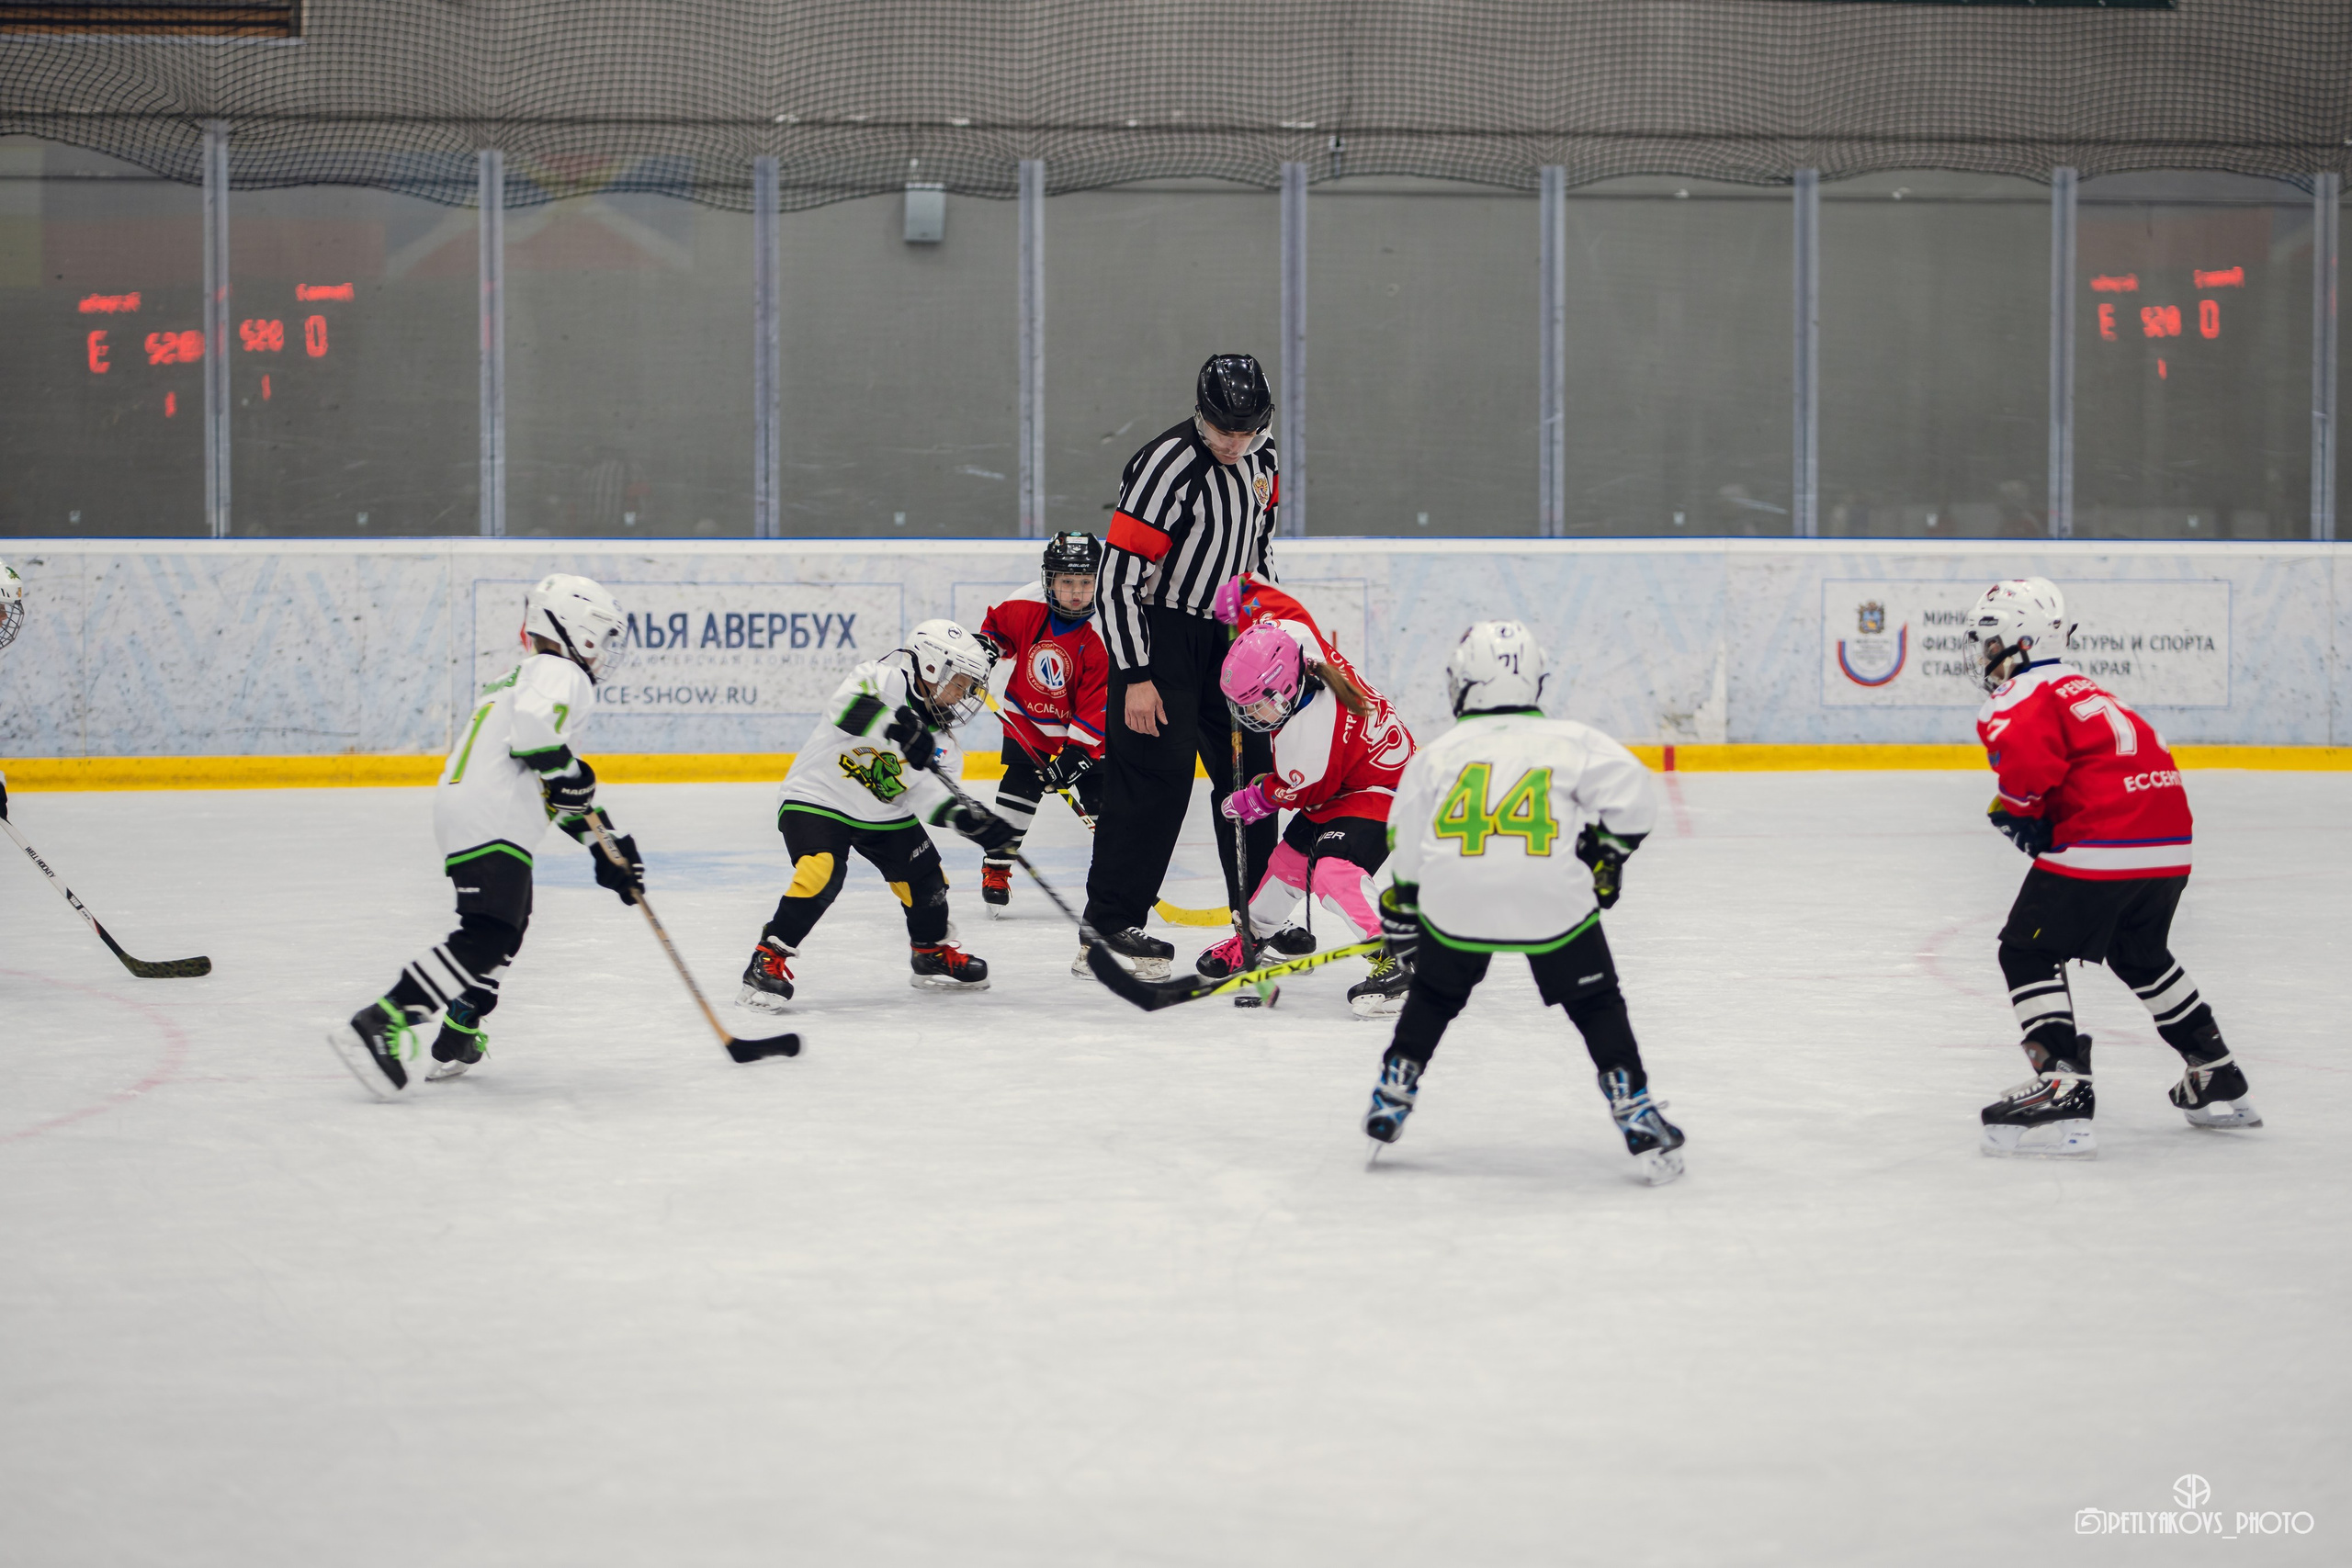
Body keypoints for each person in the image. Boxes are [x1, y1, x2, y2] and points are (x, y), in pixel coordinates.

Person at [1363, 621, 1686, 1185]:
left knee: (1435, 995)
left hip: (1458, 899)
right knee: (1595, 1004)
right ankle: (1634, 1108)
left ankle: (1394, 1090)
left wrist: (1405, 905)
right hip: (1550, 897)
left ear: (1464, 682)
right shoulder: (1571, 741)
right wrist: (1605, 856)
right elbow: (1634, 797)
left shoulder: (1439, 753)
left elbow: (1406, 835)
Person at [1965, 577, 2259, 1157]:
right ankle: (2216, 1072)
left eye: (1989, 643)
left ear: (2018, 642)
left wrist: (2022, 810)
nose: (1985, 657)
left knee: (2025, 949)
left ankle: (2062, 1085)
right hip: (2170, 842)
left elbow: (2027, 768)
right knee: (2140, 953)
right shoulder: (2089, 689)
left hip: (2108, 840)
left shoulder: (2018, 695)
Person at [326, 574, 644, 1099]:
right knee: (489, 934)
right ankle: (385, 1019)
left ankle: (460, 1027)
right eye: (605, 637)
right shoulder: (562, 674)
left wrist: (603, 844)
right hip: (491, 817)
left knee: (507, 926)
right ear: (578, 632)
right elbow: (540, 745)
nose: (606, 652)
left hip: (474, 811)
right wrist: (575, 781)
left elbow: (550, 777)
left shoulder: (524, 677)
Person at [1082, 354, 1283, 979]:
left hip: (1231, 638)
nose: (1235, 442)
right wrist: (1136, 674)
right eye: (1225, 430)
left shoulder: (1263, 460)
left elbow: (1260, 548)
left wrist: (1266, 628)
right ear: (1200, 414)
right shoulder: (1164, 465)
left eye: (1246, 431)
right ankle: (1111, 925)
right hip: (1161, 634)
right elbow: (1116, 580)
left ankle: (1258, 921)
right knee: (1152, 781)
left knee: (1251, 777)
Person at [737, 618, 1020, 1008]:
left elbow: (925, 796)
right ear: (932, 666)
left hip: (883, 813)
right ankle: (768, 958)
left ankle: (930, 953)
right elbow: (845, 708)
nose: (963, 694)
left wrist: (971, 822)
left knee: (928, 881)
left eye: (970, 687)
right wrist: (900, 728)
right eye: (959, 682)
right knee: (822, 871)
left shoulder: (945, 743)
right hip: (819, 797)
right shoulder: (879, 678)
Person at [1205, 576, 1417, 1015]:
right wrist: (1239, 591)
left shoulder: (1310, 739)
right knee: (1287, 864)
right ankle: (1254, 936)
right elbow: (1270, 599)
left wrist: (1256, 797)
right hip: (1349, 776)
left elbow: (1301, 791)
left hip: (1381, 790)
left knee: (1333, 873)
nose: (1247, 716)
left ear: (1283, 690)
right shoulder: (1294, 637)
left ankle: (1396, 958)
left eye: (1255, 705)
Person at [975, 531, 1110, 922]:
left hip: (1088, 737)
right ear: (1049, 579)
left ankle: (1110, 881)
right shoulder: (1024, 602)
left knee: (1105, 807)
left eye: (1086, 583)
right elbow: (996, 631)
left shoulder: (1105, 629)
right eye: (1066, 582)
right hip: (1029, 724)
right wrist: (987, 648)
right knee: (1017, 795)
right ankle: (996, 867)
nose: (1075, 593)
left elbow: (1100, 700)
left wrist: (1078, 753)